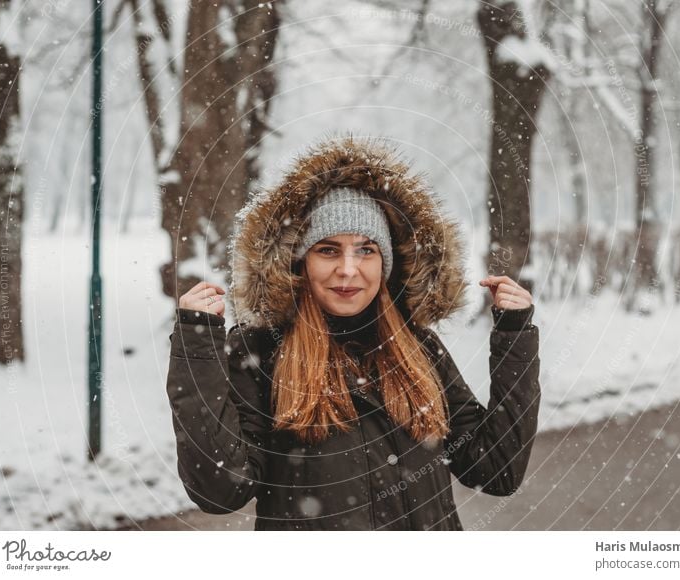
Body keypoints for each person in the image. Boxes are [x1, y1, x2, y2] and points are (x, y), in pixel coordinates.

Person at [165, 136, 541, 530]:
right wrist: (196, 349)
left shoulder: (418, 348)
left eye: (366, 250)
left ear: (387, 263)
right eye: (328, 250)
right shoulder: (261, 352)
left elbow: (496, 469)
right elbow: (220, 489)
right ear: (299, 262)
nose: (348, 269)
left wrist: (514, 336)